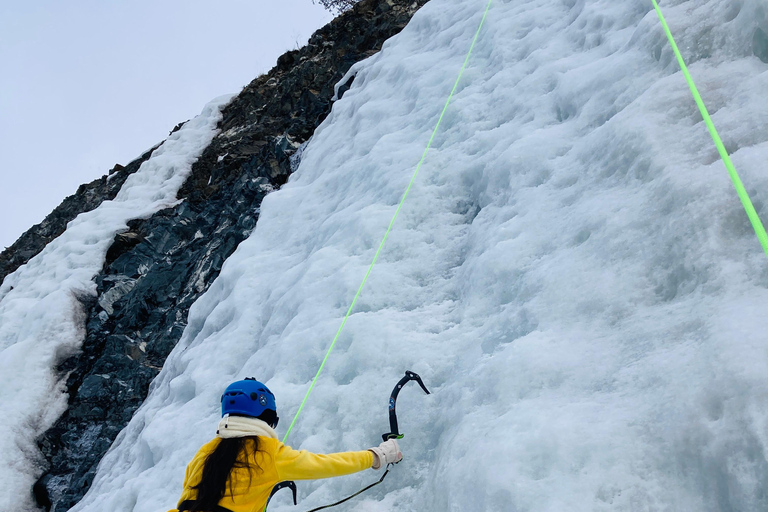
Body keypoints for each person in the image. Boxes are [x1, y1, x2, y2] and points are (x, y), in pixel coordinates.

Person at [168, 378, 403, 512]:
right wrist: (378, 455)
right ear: (266, 416)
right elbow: (327, 465)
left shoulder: (206, 451)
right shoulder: (267, 452)